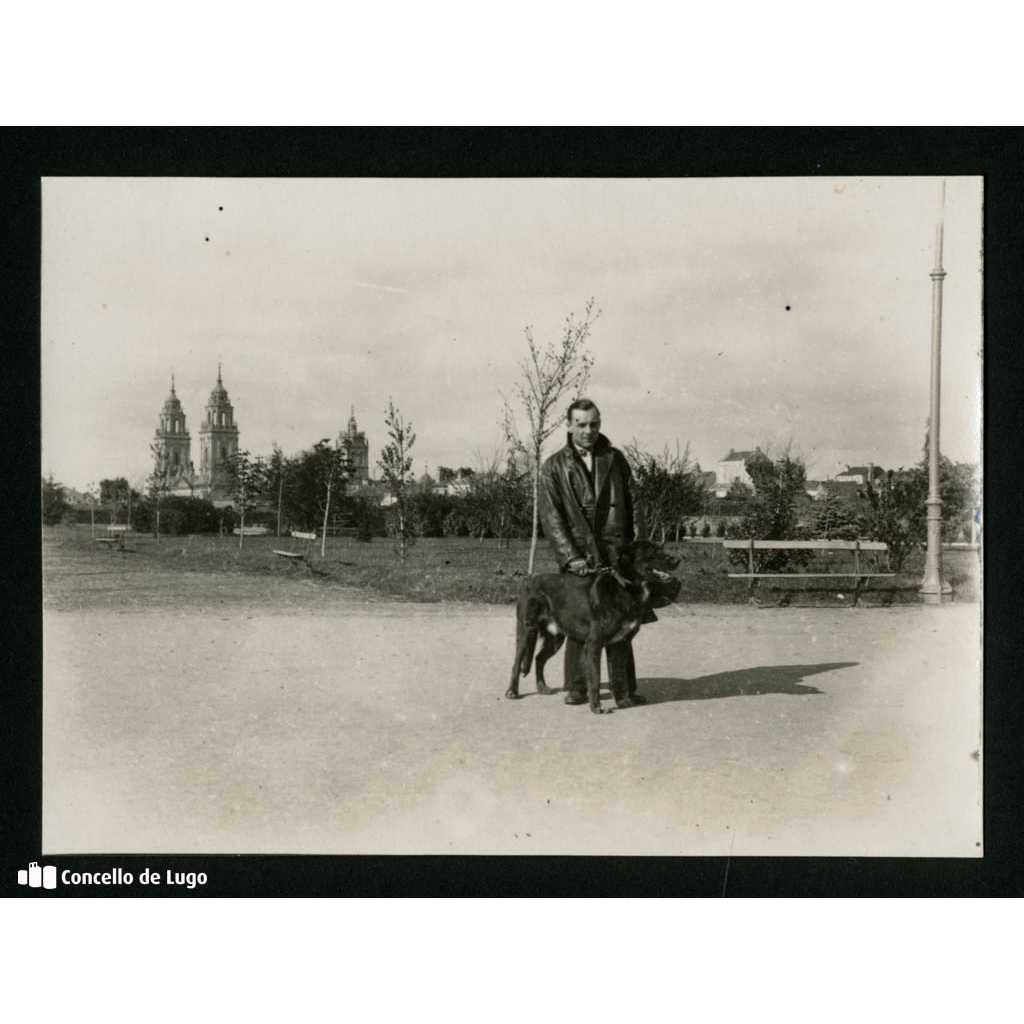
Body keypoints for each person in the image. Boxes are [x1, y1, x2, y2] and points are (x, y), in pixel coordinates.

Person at [538, 397, 652, 705]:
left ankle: (624, 691)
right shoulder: (553, 466)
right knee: (579, 621)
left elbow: (635, 502)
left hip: (617, 554)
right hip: (579, 558)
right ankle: (577, 688)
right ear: (569, 425)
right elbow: (551, 517)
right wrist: (571, 557)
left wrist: (637, 545)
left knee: (622, 620)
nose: (589, 431)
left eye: (594, 424)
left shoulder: (615, 459)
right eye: (582, 424)